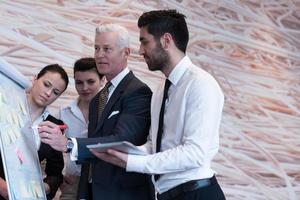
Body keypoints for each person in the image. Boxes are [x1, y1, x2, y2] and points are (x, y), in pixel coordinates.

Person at [90, 10, 226, 200]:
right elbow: (156, 146)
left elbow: (195, 153)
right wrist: (121, 152)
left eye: (144, 41)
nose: (140, 50)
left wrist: (135, 163)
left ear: (166, 41)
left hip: (197, 193)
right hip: (165, 194)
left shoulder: (201, 84)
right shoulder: (161, 89)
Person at [38, 23, 154, 200]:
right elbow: (92, 153)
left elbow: (122, 141)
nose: (99, 55)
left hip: (123, 193)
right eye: (96, 48)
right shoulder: (99, 99)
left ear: (126, 52)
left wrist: (69, 144)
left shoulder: (138, 91)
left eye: (107, 49)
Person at [0, 64, 69, 200]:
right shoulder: (4, 105)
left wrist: (45, 187)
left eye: (55, 92)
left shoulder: (54, 126)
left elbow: (55, 174)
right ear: (35, 79)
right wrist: (2, 186)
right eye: (46, 84)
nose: (48, 93)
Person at [59, 57, 105, 200]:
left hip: (103, 181)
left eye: (90, 81)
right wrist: (57, 175)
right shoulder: (64, 112)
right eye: (79, 82)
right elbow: (52, 149)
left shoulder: (110, 113)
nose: (84, 88)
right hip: (73, 181)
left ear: (102, 80)